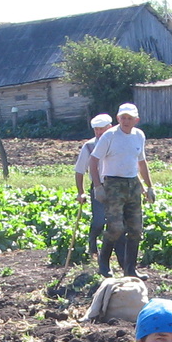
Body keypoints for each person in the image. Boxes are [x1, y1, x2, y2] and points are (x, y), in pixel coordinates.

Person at [88, 102, 156, 279]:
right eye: (123, 118)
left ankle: (130, 269)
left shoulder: (139, 135)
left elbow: (141, 162)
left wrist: (149, 186)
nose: (126, 121)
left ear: (136, 120)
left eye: (130, 118)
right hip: (113, 184)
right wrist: (98, 187)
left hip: (132, 184)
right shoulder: (109, 136)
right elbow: (93, 161)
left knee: (136, 229)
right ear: (118, 119)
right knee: (116, 228)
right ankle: (104, 263)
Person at [74, 113, 113, 268]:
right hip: (98, 187)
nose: (98, 133)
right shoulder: (89, 146)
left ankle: (109, 253)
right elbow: (79, 170)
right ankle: (92, 244)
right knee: (98, 220)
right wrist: (80, 191)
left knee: (115, 222)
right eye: (96, 130)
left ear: (109, 128)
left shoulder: (116, 142)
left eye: (101, 129)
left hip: (116, 186)